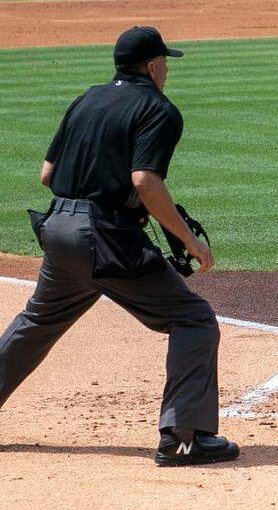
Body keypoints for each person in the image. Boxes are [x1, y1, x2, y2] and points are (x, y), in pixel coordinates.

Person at [0, 26, 240, 465]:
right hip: (103, 239)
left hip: (56, 229)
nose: (166, 69)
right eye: (164, 61)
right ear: (152, 66)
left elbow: (48, 175)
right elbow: (144, 180)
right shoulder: (159, 110)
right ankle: (182, 439)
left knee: (37, 321)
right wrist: (188, 240)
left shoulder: (87, 99)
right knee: (193, 320)